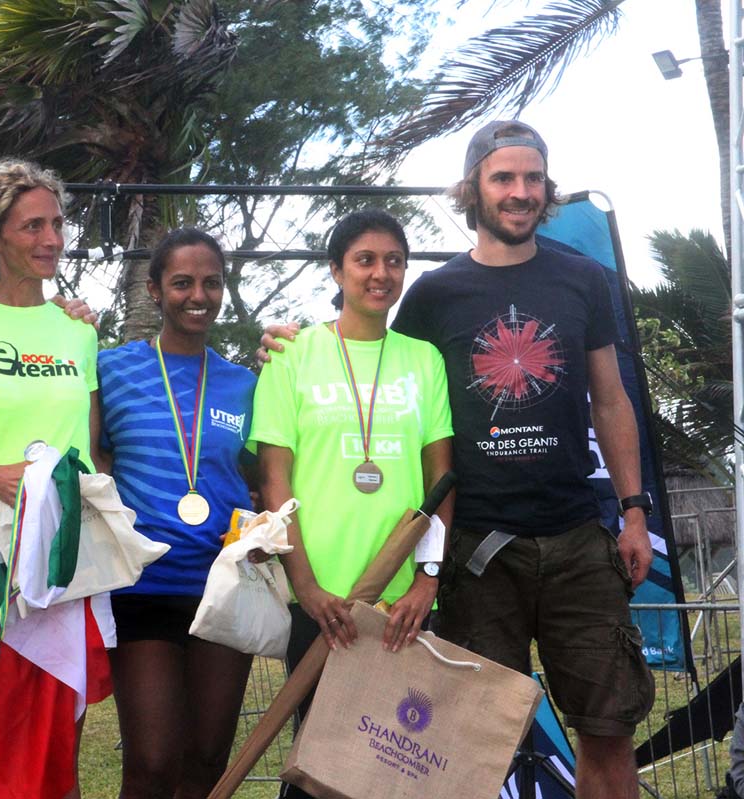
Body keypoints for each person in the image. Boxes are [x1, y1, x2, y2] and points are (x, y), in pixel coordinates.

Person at [263, 121, 656, 799]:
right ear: (474, 188)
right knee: (463, 747)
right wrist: (294, 343)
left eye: (533, 178)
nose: (521, 192)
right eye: (504, 178)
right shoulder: (434, 295)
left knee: (609, 728)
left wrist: (633, 510)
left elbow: (611, 400)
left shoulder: (585, 280)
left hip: (576, 540)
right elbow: (373, 361)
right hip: (477, 550)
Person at [250, 209, 453, 799]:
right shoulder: (293, 356)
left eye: (394, 260)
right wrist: (307, 587)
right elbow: (273, 480)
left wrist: (426, 582)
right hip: (321, 603)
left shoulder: (424, 359)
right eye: (365, 260)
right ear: (336, 270)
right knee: (317, 770)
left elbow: (440, 482)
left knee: (392, 772)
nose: (380, 273)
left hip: (399, 607)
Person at [0, 159, 108, 799]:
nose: (52, 239)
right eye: (32, 226)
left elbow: (89, 450)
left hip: (71, 551)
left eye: (57, 223)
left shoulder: (79, 330)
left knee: (65, 722)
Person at [95, 228, 257, 799]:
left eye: (212, 282)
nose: (199, 295)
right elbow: (94, 458)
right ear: (155, 289)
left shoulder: (245, 383)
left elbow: (259, 478)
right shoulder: (110, 371)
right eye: (183, 282)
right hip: (143, 586)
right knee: (153, 760)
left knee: (208, 758)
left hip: (222, 587)